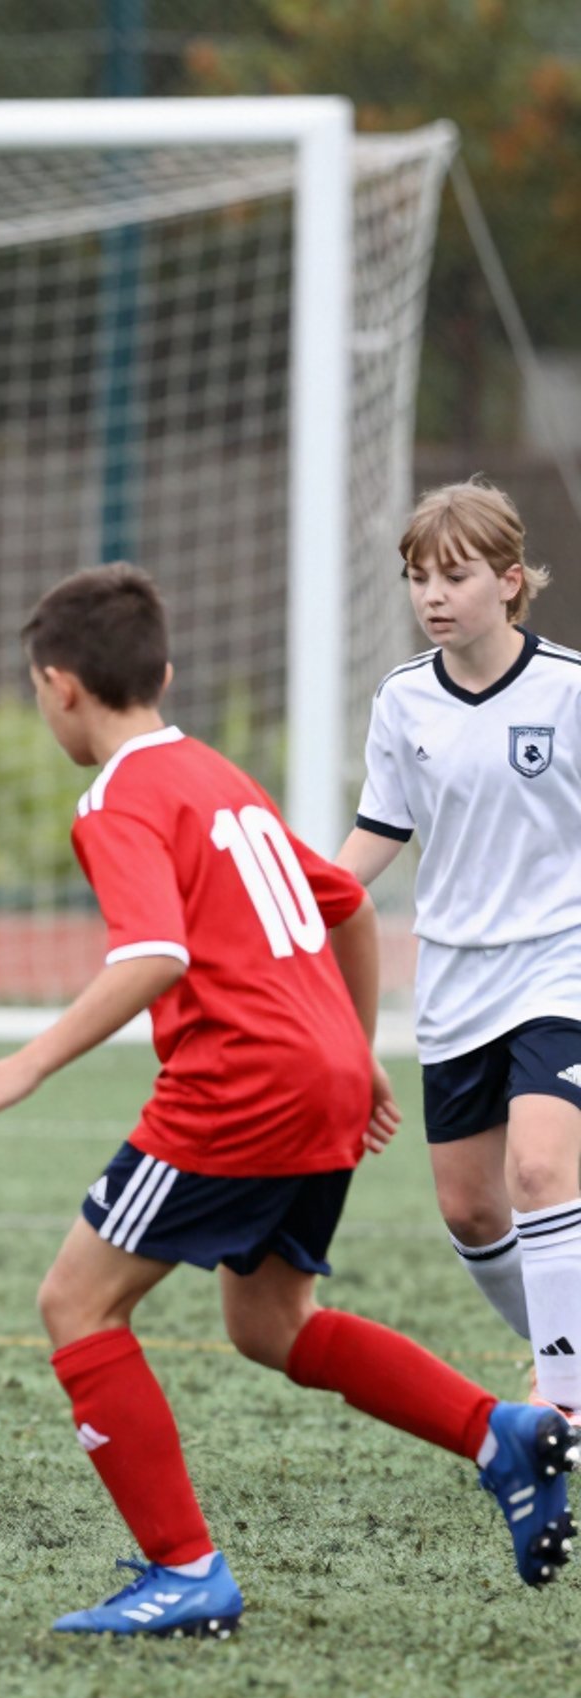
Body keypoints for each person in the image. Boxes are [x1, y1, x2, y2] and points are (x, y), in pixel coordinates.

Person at [0, 562, 575, 1637]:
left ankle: (185, 1571)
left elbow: (151, 955)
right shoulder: (217, 775)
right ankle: (499, 1434)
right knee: (269, 1322)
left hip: (242, 1085)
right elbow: (349, 911)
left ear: (56, 688)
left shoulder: (120, 799)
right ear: (166, 674)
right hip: (319, 1072)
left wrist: (25, 1065)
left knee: (76, 1304)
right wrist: (356, 1047)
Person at [335, 482, 577, 1401]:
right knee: (473, 1211)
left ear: (510, 581)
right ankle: (572, 1342)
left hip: (563, 964)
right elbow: (379, 832)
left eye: (455, 576)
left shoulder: (568, 691)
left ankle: (565, 1400)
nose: (433, 595)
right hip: (455, 979)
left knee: (540, 1168)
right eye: (416, 577)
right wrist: (304, 895)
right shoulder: (403, 701)